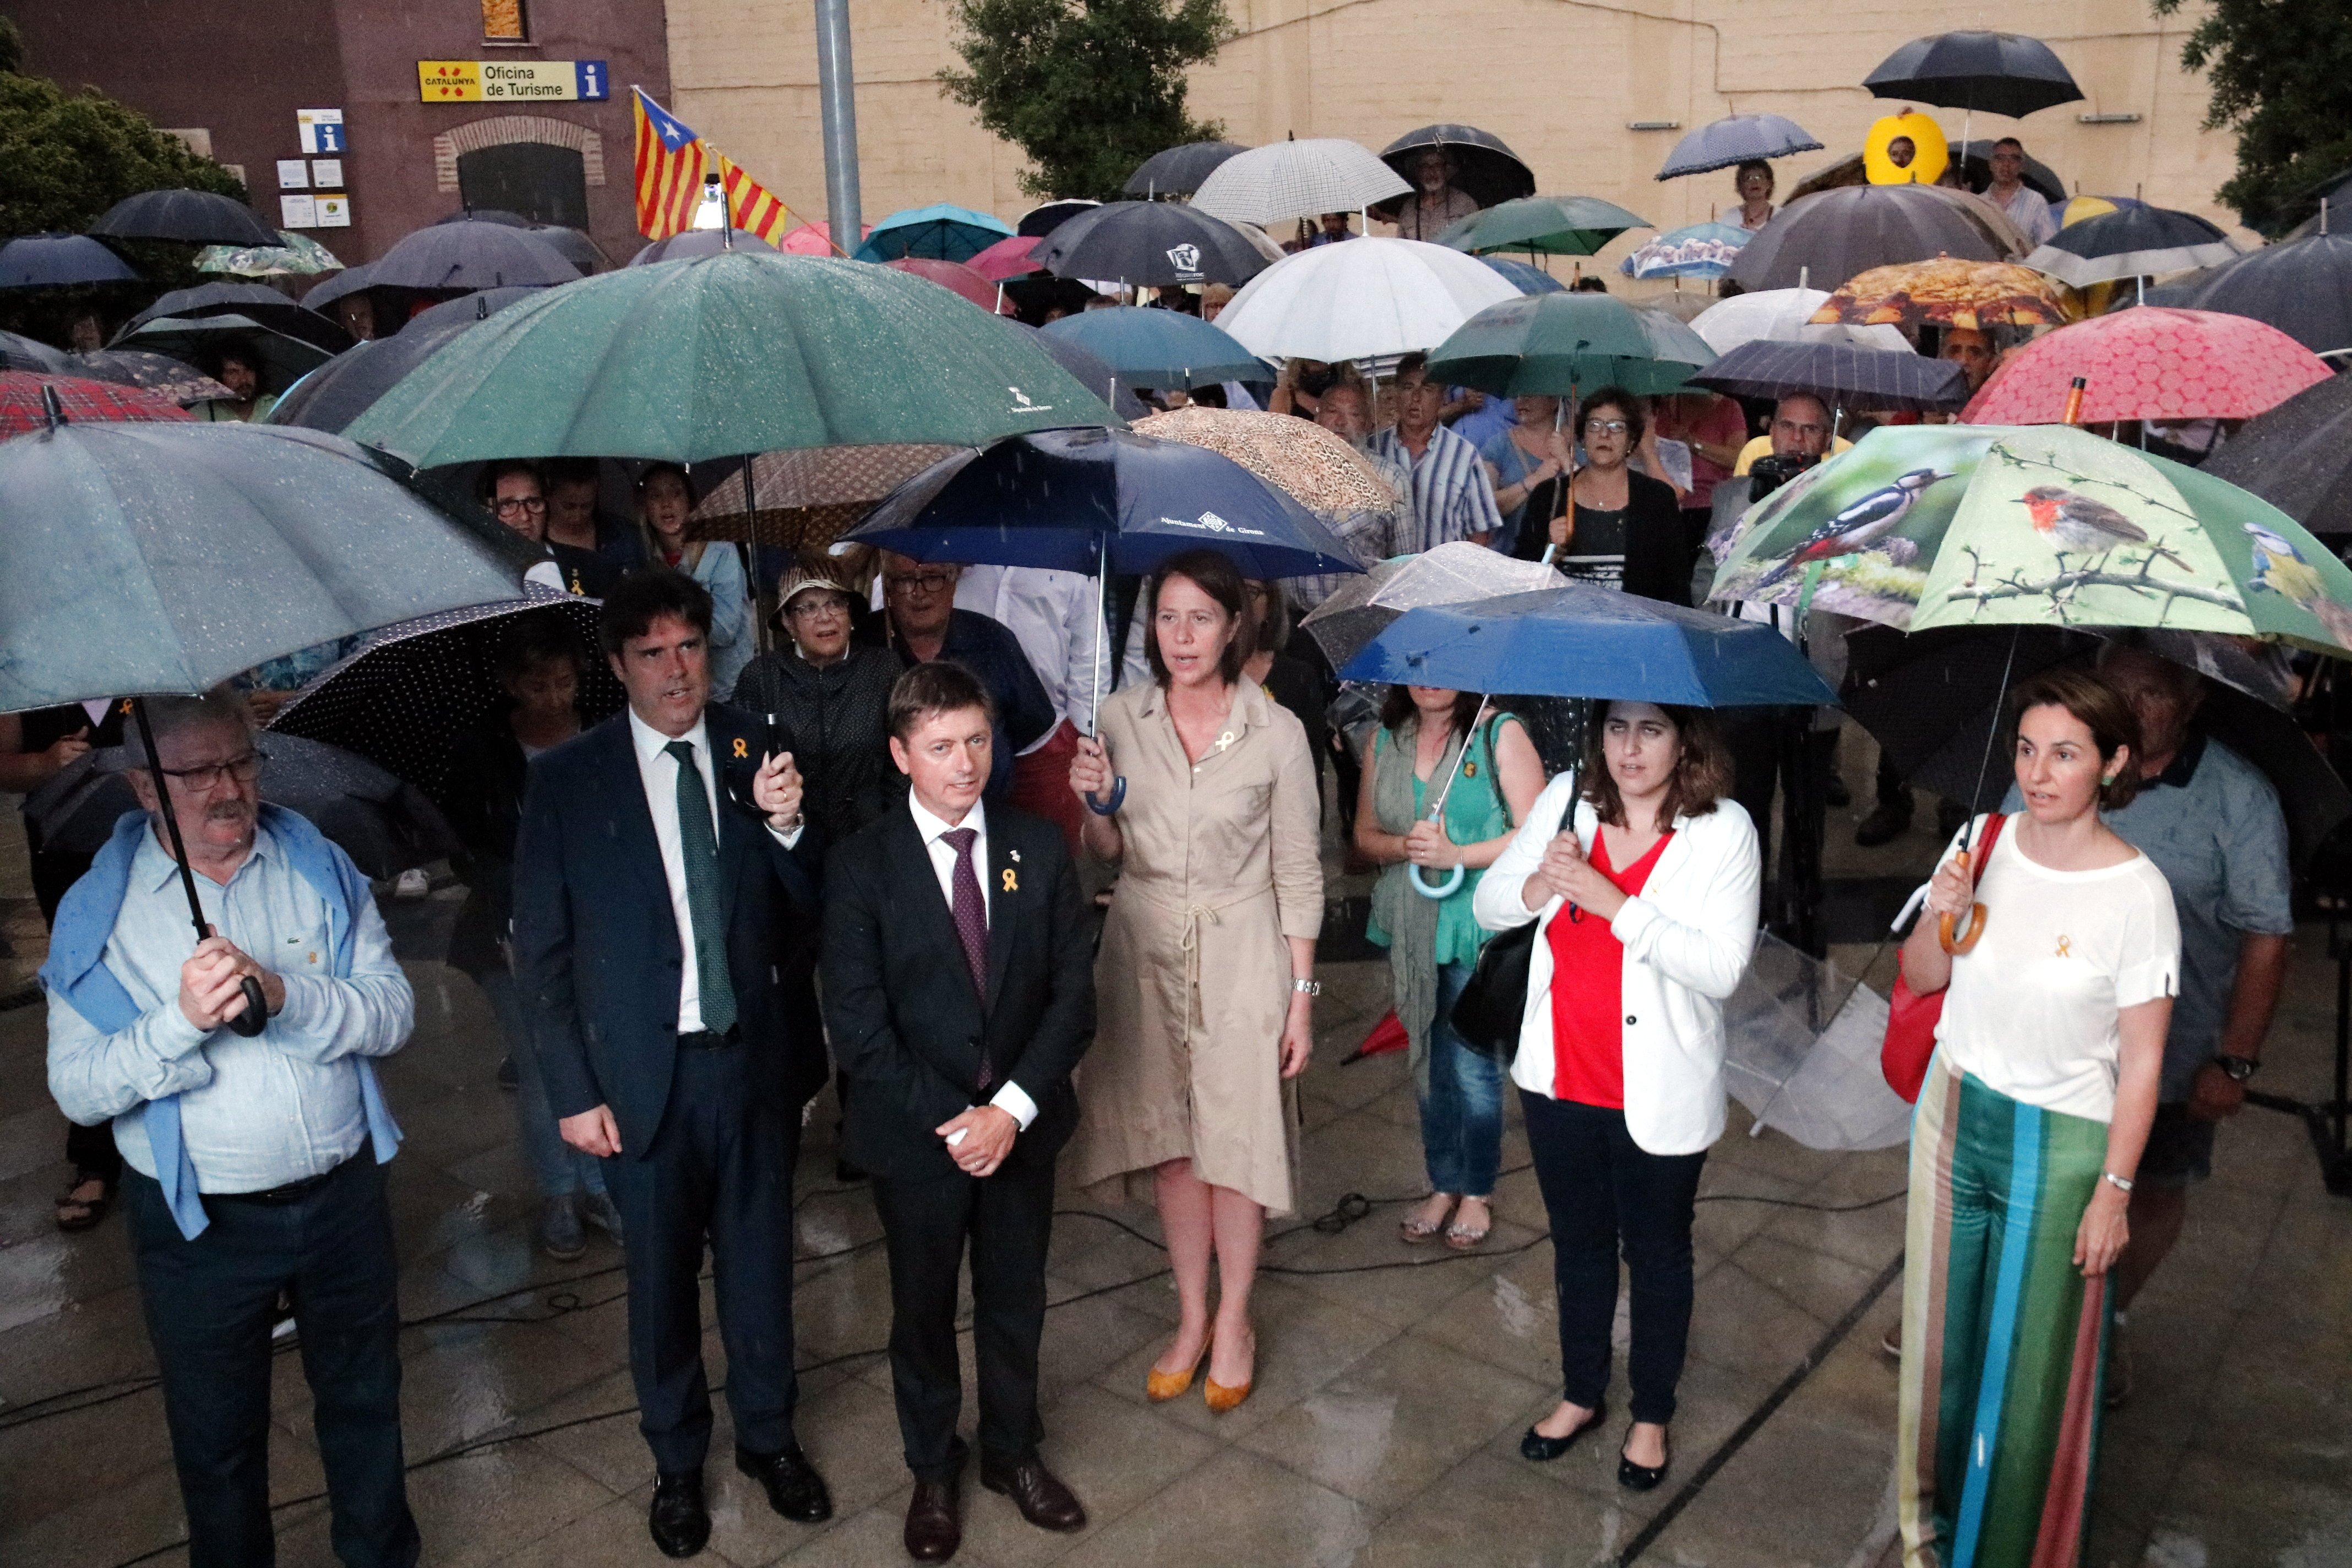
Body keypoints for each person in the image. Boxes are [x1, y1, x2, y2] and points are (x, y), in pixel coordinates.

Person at [45, 690, 420, 1567]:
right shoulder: (96, 917)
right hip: (201, 1226)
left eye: (242, 762)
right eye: (198, 771)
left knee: (367, 1403)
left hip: (343, 1198)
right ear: (144, 786)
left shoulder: (318, 864)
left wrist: (288, 995)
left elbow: (395, 1014)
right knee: (216, 1437)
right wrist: (179, 1022)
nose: (229, 789)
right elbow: (78, 1092)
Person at [512, 570, 834, 1557]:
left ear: (710, 647)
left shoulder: (755, 744)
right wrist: (571, 1091)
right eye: (650, 653)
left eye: (688, 645)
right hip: (638, 1081)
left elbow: (807, 906)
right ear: (616, 667)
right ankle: (677, 1459)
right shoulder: (569, 779)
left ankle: (769, 1438)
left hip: (751, 1061)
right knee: (657, 1284)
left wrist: (785, 825)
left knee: (759, 1265)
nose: (675, 669)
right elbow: (545, 954)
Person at [1894, 668, 2176, 1566]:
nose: (2039, 771)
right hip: (1952, 1111)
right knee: (1939, 1350)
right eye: (2026, 748)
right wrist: (1942, 914)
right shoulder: (1983, 840)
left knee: (2027, 1373)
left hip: (2058, 1146)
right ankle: (1923, 1536)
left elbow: (2140, 1061)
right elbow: (1923, 978)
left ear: (2114, 762)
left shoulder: (2138, 895)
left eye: (2065, 752)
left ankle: (2008, 1549)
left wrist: (2113, 1191)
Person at [821, 662, 1095, 1561]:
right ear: (902, 754)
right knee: (924, 1310)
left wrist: (1009, 1110)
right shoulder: (862, 864)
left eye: (976, 739)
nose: (964, 762)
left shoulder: (1039, 846)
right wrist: (959, 1121)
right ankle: (933, 1465)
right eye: (941, 746)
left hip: (1020, 1124)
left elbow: (1071, 998)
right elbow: (859, 1026)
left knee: (1015, 1300)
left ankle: (1012, 1452)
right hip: (916, 1136)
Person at [1474, 699, 1758, 1493]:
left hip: (1660, 1088)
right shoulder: (1569, 799)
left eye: (1652, 730)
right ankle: (1580, 1393)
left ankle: (1652, 1411)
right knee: (1580, 1244)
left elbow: (1723, 968)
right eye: (1617, 729)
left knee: (1659, 1252)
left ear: (1686, 740)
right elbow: (1488, 904)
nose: (1630, 749)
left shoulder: (1723, 830)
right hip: (1559, 1076)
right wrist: (1543, 879)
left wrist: (1611, 903)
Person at [1067, 548, 1322, 1412]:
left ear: (1234, 625)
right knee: (1174, 1146)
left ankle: (1238, 1318)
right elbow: (1104, 855)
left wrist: (1303, 999)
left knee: (1236, 1149)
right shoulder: (1119, 718)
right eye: (1167, 617)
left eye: (1201, 618)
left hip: (1244, 949)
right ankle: (1190, 1315)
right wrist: (1097, 808)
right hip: (1141, 950)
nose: (1182, 636)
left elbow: (1301, 874)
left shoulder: (1277, 731)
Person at [2017, 647, 2292, 1406]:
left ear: (2193, 699)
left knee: (2154, 1189)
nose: (2130, 708)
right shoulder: (2066, 768)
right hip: (2052, 1045)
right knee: (2040, 1186)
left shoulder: (2238, 797)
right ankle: (2008, 1314)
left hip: (2175, 1049)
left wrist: (2234, 1061)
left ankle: (2109, 1320)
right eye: (2113, 691)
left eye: (2151, 694)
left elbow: (2266, 938)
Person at [442, 616, 622, 1261]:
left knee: (599, 1059)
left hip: (598, 926)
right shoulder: (480, 752)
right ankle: (559, 1193)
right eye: (538, 684)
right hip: (509, 934)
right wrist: (522, 900)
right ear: (511, 684)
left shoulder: (606, 736)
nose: (554, 697)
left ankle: (603, 1185)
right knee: (545, 1071)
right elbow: (465, 849)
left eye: (565, 682)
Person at [1357, 687, 1544, 1249]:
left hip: (1476, 928)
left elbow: (1536, 836)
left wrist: (1456, 855)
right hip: (1413, 926)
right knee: (1426, 1064)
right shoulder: (1385, 740)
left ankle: (1477, 1189)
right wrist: (1403, 846)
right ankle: (1443, 1180)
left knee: (1472, 1070)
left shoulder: (1498, 734)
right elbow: (1364, 838)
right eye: (1417, 662)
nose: (1430, 677)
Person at [4, 703, 128, 1232]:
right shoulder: (29, 667)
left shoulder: (149, 651)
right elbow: (3, 765)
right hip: (65, 847)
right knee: (85, 987)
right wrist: (46, 763)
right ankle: (95, 1155)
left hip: (154, 833)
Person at [736, 566, 907, 843]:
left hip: (871, 840)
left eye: (835, 603)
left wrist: (886, 826)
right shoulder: (762, 677)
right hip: (790, 840)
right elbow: (744, 764)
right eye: (808, 608)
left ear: (849, 613)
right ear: (788, 622)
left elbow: (905, 758)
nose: (825, 617)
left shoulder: (883, 669)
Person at [875, 554, 1056, 805]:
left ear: (953, 582)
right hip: (892, 824)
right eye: (905, 580)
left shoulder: (993, 640)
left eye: (932, 578)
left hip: (988, 815)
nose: (920, 592)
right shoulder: (868, 642)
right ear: (887, 588)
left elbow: (1031, 724)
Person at [955, 563, 1103, 851]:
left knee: (1050, 858)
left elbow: (1090, 653)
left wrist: (1082, 735)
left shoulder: (1068, 556)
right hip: (960, 741)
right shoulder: (955, 544)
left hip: (1048, 739)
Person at [1515, 388, 1686, 602]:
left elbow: (1676, 584)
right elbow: (1522, 579)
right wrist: (1551, 551)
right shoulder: (1549, 495)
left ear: (1632, 441)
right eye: (1594, 425)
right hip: (1563, 629)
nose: (1604, 434)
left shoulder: (1657, 499)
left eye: (1616, 427)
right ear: (1582, 438)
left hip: (1636, 630)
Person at [635, 462, 753, 701]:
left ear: (690, 500)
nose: (667, 504)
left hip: (728, 689)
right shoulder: (643, 559)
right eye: (656, 496)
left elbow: (724, 630)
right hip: (676, 690)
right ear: (645, 506)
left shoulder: (721, 550)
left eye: (676, 493)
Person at [1370, 352, 1505, 551]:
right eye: (1408, 388)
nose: (1416, 398)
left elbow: (1480, 532)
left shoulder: (1464, 456)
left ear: (1443, 398)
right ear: (1397, 394)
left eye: (1427, 389)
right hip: (1386, 576)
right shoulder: (1373, 449)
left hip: (1443, 577)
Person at [481, 460, 615, 599]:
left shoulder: (591, 567)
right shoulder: (471, 575)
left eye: (533, 502)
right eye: (507, 505)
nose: (524, 516)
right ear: (485, 512)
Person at [1480, 394, 1569, 553]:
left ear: (1554, 401)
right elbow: (1485, 506)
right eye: (1518, 395)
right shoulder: (1498, 446)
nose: (1521, 401)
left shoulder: (1575, 446)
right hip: (1511, 558)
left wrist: (1567, 461)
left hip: (1565, 559)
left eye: (1531, 394)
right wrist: (1535, 480)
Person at [543, 457, 644, 586]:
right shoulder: (532, 537)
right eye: (568, 507)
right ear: (548, 495)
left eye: (586, 506)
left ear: (596, 489)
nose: (577, 516)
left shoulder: (624, 536)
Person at [1390, 149, 1481, 241]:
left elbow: (1477, 241)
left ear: (1446, 170)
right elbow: (1402, 247)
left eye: (1437, 165)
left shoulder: (1465, 203)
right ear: (1418, 172)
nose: (1431, 172)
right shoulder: (1408, 209)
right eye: (1425, 166)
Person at [1985, 138, 2057, 247]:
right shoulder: (1980, 202)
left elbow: (2048, 248)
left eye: (2014, 159)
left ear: (2022, 166)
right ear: (1991, 164)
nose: (2006, 164)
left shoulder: (2036, 202)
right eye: (2000, 158)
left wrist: (2027, 253)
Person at [193, 345, 275, 423]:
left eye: (248, 370)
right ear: (217, 377)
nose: (243, 380)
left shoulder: (275, 407)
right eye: (233, 372)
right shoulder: (199, 417)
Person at [1940, 326, 1998, 396]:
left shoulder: (2001, 405)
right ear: (1941, 358)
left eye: (1975, 353)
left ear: (1991, 364)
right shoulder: (1926, 404)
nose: (1963, 361)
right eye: (1954, 352)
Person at [1732, 160, 1776, 230]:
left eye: (1760, 177)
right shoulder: (1731, 217)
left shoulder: (1781, 216)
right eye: (1748, 178)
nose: (1755, 182)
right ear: (1741, 186)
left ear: (1769, 183)